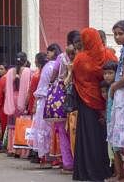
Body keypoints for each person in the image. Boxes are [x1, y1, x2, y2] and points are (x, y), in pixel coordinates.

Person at [72, 28, 117, 181]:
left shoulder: (79, 59)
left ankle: (86, 171)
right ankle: (109, 170)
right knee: (106, 136)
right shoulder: (108, 54)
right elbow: (116, 71)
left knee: (88, 137)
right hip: (107, 101)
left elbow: (76, 80)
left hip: (86, 103)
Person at [107, 20, 124, 182]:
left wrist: (113, 87)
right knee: (122, 134)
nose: (117, 37)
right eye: (115, 34)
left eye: (120, 34)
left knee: (123, 132)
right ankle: (122, 173)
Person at [52, 32, 78, 174]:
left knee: (63, 131)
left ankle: (68, 163)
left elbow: (53, 76)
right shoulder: (82, 56)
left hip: (61, 98)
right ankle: (77, 162)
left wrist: (53, 83)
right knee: (75, 130)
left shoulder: (61, 58)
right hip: (78, 96)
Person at [0, 52, 31, 157]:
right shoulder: (27, 71)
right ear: (25, 61)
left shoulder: (9, 72)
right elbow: (28, 89)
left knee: (12, 125)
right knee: (22, 124)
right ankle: (22, 150)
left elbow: (6, 89)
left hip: (11, 101)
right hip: (22, 101)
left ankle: (12, 149)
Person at [30, 51, 55, 168]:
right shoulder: (53, 66)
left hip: (44, 102)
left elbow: (39, 91)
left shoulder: (44, 70)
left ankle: (45, 159)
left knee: (43, 131)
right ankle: (51, 158)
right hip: (53, 102)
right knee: (50, 131)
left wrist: (34, 104)